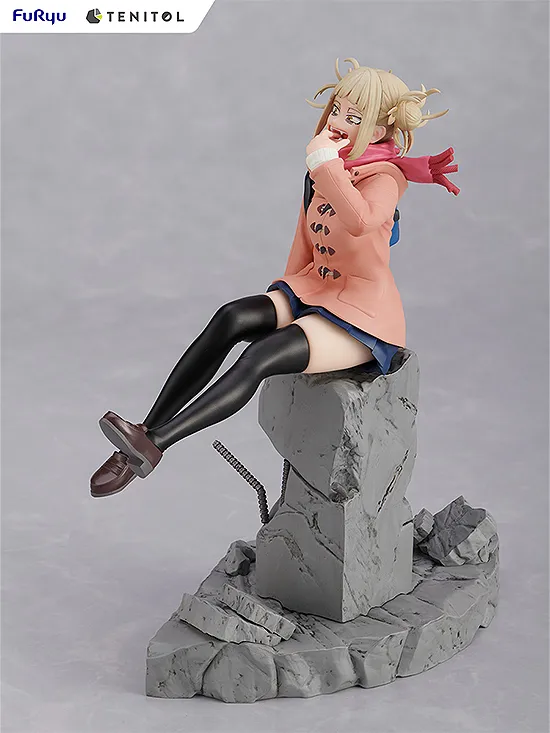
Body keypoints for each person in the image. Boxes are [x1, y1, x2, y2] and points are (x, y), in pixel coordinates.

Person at [90, 58, 459, 498]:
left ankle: (156, 444)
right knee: (231, 318)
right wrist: (287, 295)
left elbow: (361, 221)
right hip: (316, 289)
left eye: (354, 118)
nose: (337, 122)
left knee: (259, 357)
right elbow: (305, 241)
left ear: (379, 130)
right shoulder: (328, 167)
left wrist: (326, 166)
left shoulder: (384, 177)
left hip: (361, 315)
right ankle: (143, 433)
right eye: (337, 110)